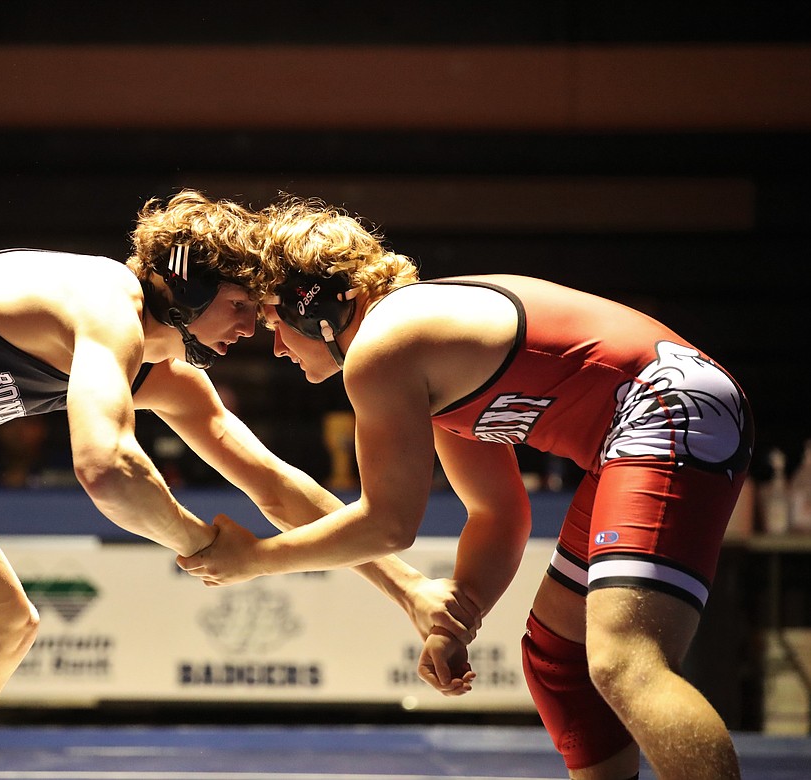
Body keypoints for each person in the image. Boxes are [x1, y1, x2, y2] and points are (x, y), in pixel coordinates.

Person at [0, 190, 474, 780]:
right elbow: (104, 467)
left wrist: (407, 587)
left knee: (8, 623)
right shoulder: (109, 301)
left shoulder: (168, 378)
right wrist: (200, 544)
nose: (256, 328)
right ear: (191, 282)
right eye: (243, 306)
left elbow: (276, 487)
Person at [177, 197, 754, 780]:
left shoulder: (383, 346)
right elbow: (497, 512)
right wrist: (460, 614)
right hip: (658, 418)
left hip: (668, 407)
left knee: (624, 661)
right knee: (559, 660)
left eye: (276, 323)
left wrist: (254, 559)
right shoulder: (428, 350)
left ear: (316, 307)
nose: (275, 346)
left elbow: (388, 525)